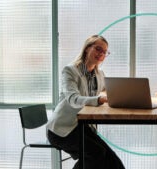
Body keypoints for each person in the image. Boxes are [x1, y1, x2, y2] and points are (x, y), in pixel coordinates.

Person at [46, 35, 125, 169]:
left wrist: (124, 94)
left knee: (113, 162)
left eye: (104, 52)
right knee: (96, 155)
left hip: (82, 128)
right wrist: (99, 99)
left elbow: (109, 92)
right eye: (98, 49)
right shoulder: (70, 71)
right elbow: (73, 99)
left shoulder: (100, 75)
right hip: (62, 130)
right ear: (87, 48)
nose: (101, 54)